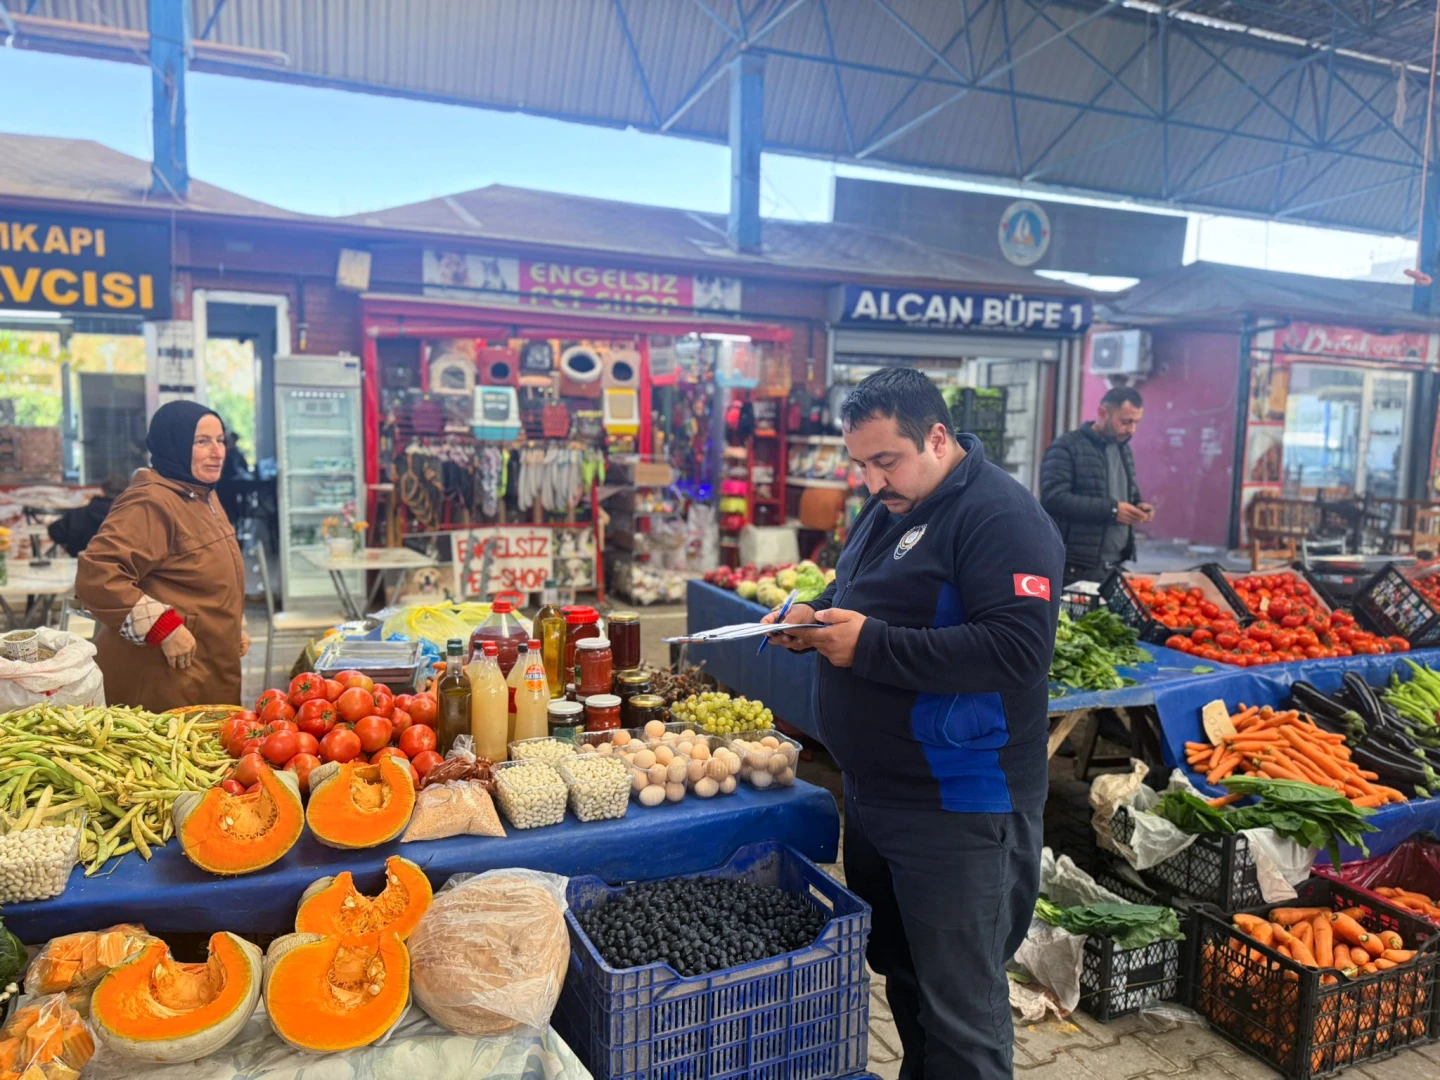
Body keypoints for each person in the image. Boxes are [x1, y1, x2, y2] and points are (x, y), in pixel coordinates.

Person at [763, 366, 1063, 1079]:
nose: (872, 481)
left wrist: (869, 644)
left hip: (958, 808)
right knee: (906, 977)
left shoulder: (1004, 519)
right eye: (861, 464)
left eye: (885, 461)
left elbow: (1019, 650)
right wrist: (813, 610)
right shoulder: (893, 505)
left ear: (937, 436)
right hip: (878, 795)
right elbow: (856, 588)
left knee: (962, 1011)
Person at [76, 401, 250, 711]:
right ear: (175, 444)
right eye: (202, 442)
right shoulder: (150, 502)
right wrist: (163, 627)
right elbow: (98, 576)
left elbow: (196, 576)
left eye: (220, 440)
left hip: (207, 665)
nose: (217, 451)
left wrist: (234, 622)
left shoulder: (201, 493)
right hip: (167, 679)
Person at [1039, 386, 1153, 585]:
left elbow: (1127, 492)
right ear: (1103, 413)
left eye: (1136, 423)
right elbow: (1053, 497)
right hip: (1077, 566)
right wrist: (1112, 510)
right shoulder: (1066, 446)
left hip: (1116, 563)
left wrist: (1139, 506)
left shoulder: (1124, 450)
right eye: (1125, 422)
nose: (1132, 430)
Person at [47, 474, 129, 557]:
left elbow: (55, 531)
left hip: (83, 566)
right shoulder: (134, 517)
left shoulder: (76, 516)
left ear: (103, 490)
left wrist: (70, 546)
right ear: (128, 492)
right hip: (124, 567)